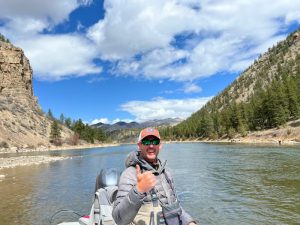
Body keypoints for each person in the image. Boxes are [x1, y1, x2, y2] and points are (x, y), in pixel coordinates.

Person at [112, 127, 197, 225]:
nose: (151, 146)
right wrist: (139, 190)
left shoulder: (166, 173)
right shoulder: (130, 174)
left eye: (155, 141)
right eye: (146, 142)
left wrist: (189, 222)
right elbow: (118, 219)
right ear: (139, 145)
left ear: (160, 145)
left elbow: (175, 206)